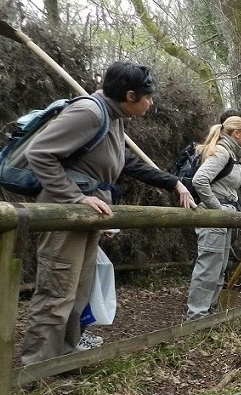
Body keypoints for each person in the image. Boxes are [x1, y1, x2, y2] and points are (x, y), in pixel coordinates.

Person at [20, 60, 196, 365]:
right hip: (64, 212)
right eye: (148, 97)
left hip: (86, 215)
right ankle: (36, 368)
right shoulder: (89, 112)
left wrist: (175, 183)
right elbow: (39, 153)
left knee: (77, 292)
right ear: (130, 95)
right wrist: (77, 198)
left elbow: (127, 163)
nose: (151, 103)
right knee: (57, 291)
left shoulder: (113, 118)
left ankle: (63, 358)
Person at [186, 116, 241, 320]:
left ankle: (209, 312)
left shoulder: (231, 154)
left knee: (219, 267)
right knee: (208, 267)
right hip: (215, 217)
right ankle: (196, 316)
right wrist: (217, 209)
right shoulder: (222, 152)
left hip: (223, 217)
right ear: (236, 133)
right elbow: (200, 180)